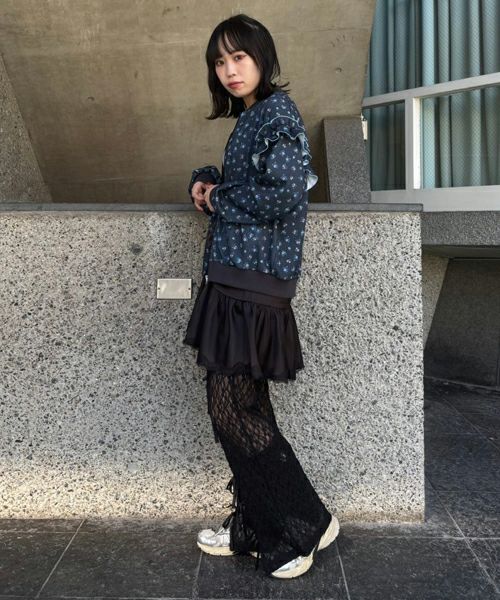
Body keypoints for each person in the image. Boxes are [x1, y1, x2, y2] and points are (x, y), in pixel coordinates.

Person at [182, 13, 340, 579]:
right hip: (238, 281)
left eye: (239, 57)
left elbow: (282, 192)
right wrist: (208, 177)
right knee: (247, 408)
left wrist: (218, 198)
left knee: (230, 410)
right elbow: (253, 179)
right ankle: (255, 524)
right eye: (219, 62)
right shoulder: (252, 117)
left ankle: (305, 522)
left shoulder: (277, 113)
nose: (229, 69)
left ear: (262, 58)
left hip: (252, 285)